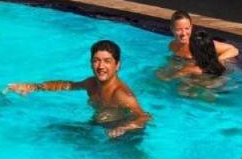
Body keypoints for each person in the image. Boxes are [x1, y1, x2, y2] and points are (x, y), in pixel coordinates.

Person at [8, 40, 151, 138]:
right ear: (90, 63)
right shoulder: (91, 83)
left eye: (107, 61)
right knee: (52, 131)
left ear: (117, 65)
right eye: (96, 60)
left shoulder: (121, 94)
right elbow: (68, 85)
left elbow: (144, 116)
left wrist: (124, 128)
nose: (101, 66)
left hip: (123, 137)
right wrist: (34, 87)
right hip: (101, 129)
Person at [168, 10, 239, 64]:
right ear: (172, 29)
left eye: (187, 28)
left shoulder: (199, 42)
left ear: (191, 27)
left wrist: (217, 61)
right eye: (178, 29)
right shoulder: (172, 46)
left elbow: (233, 50)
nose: (183, 33)